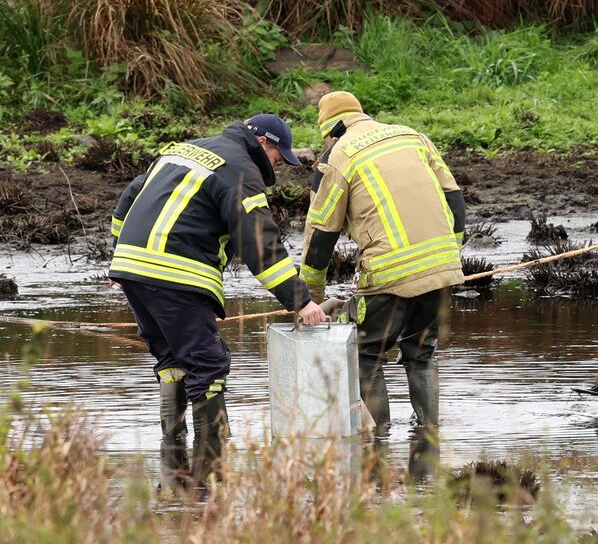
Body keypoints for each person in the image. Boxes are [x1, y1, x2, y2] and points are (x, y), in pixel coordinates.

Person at [108, 114, 327, 491]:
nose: (279, 165)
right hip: (175, 273)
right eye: (279, 156)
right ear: (263, 143)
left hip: (132, 268)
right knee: (208, 367)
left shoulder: (190, 148)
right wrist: (301, 301)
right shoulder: (239, 169)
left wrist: (119, 255)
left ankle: (173, 478)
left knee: (173, 363)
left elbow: (131, 195)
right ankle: (207, 480)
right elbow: (257, 242)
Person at [299, 91, 465, 435]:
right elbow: (455, 200)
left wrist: (310, 297)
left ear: (331, 132)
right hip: (442, 268)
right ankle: (428, 436)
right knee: (421, 353)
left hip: (388, 273)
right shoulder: (412, 136)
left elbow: (320, 239)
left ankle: (379, 440)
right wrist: (451, 256)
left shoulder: (338, 157)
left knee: (366, 356)